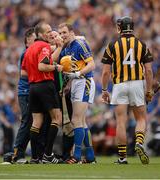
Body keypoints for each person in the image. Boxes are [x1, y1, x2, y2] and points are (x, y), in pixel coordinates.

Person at [101, 16, 154, 164]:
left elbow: (105, 72)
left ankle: (122, 158)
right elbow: (149, 71)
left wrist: (105, 90)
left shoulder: (112, 45)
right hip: (137, 84)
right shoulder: (142, 44)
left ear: (120, 28)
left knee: (121, 122)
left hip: (119, 85)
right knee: (142, 118)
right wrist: (149, 91)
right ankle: (138, 142)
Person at [22, 22, 63, 164]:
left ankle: (34, 157)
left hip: (33, 88)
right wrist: (56, 67)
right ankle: (47, 154)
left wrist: (58, 48)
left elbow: (24, 72)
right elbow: (42, 66)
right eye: (48, 31)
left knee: (36, 122)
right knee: (57, 118)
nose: (51, 33)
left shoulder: (29, 49)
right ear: (40, 34)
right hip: (45, 85)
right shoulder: (44, 46)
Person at [58, 23, 96, 164]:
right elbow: (67, 70)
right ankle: (90, 156)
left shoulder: (79, 44)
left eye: (64, 32)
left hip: (84, 81)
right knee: (82, 122)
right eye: (60, 33)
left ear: (72, 32)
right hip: (75, 83)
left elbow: (92, 65)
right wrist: (68, 83)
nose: (62, 35)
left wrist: (78, 73)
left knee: (76, 120)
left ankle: (77, 155)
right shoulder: (65, 48)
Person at [12, 27, 36, 164]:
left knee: (32, 122)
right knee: (27, 120)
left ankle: (28, 153)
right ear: (27, 41)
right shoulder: (26, 53)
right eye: (34, 39)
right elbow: (23, 74)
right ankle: (17, 153)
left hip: (31, 91)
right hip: (25, 91)